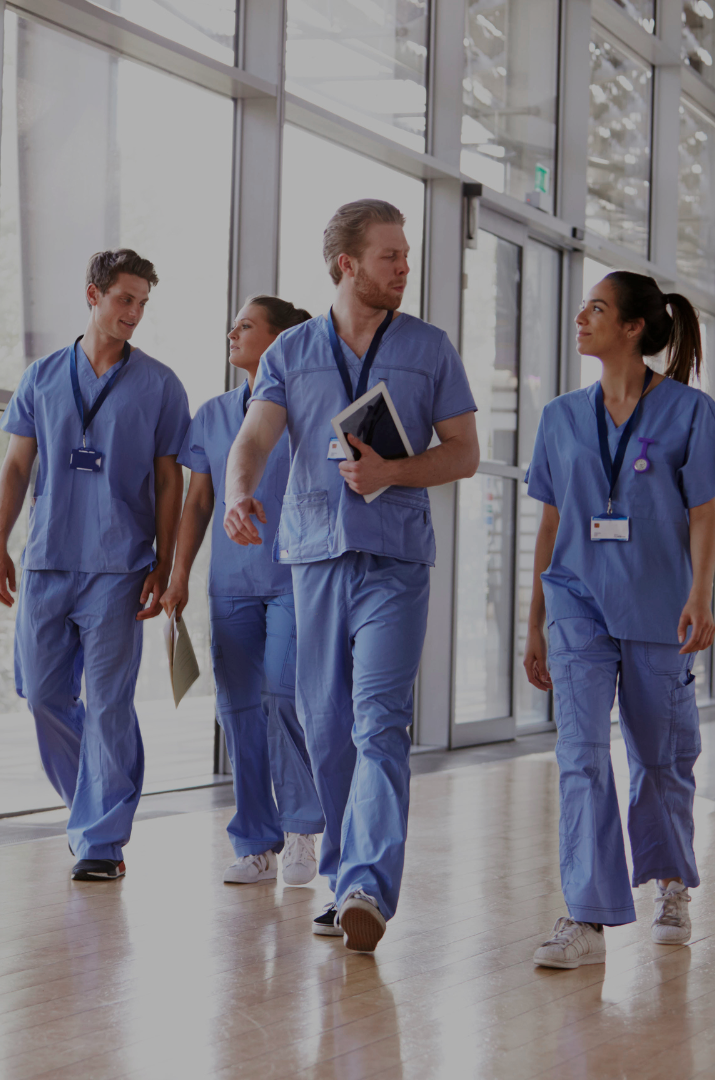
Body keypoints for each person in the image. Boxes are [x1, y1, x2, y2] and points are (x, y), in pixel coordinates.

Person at [223, 200, 479, 951]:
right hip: (313, 558)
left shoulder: (430, 349)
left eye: (405, 255)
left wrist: (394, 470)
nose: (405, 267)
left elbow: (462, 451)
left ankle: (367, 881)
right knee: (328, 728)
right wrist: (240, 492)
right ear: (348, 264)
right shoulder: (291, 352)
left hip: (396, 561)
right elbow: (254, 437)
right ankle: (342, 878)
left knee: (378, 722)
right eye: (390, 256)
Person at [524, 272, 715, 969]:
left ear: (632, 329)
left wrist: (701, 596)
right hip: (577, 604)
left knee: (661, 758)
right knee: (581, 756)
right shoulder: (561, 416)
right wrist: (534, 619)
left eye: (596, 308)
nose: (581, 316)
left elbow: (704, 510)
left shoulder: (689, 412)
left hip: (658, 605)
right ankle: (586, 917)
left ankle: (672, 881)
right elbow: (552, 519)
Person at [0, 249, 190, 883]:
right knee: (44, 695)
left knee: (107, 705)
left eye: (142, 303)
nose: (134, 313)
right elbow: (19, 466)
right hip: (48, 560)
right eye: (124, 299)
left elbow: (168, 481)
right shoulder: (43, 376)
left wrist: (164, 560)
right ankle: (89, 809)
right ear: (93, 296)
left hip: (120, 566)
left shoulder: (160, 384)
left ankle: (102, 838)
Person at [161, 295, 325, 887]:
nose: (233, 332)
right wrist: (179, 577)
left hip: (294, 578)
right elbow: (198, 501)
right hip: (229, 586)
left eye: (247, 325)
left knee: (283, 696)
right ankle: (257, 840)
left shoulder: (308, 410)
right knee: (237, 712)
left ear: (282, 340)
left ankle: (305, 827)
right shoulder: (211, 414)